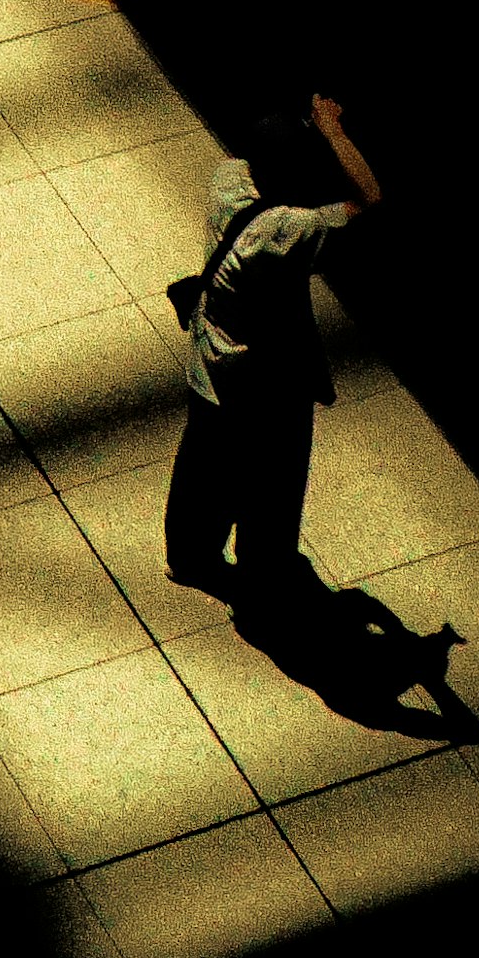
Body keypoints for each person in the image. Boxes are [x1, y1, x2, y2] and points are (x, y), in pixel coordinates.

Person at [165, 90, 382, 617]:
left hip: (211, 360)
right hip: (265, 378)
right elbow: (369, 199)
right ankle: (264, 560)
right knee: (275, 473)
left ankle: (191, 553)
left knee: (203, 463)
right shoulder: (285, 230)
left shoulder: (229, 183)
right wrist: (333, 133)